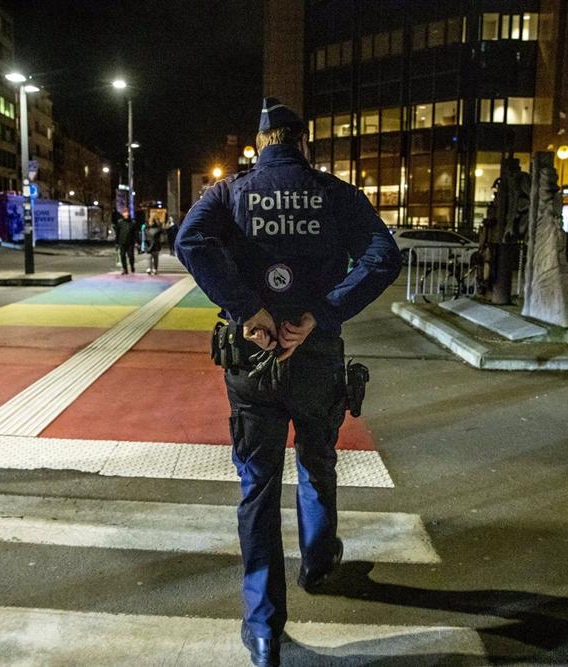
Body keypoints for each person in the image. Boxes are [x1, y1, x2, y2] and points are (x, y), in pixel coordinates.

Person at [175, 97, 401, 667]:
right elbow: (383, 256)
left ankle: (262, 627)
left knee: (257, 486)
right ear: (303, 143)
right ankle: (319, 560)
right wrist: (321, 314)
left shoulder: (227, 194)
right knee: (318, 460)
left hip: (252, 360)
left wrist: (249, 308)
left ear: (260, 145)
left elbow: (190, 242)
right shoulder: (335, 194)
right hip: (317, 357)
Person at [112, 207, 137, 274]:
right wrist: (116, 243)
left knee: (131, 256)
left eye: (127, 212)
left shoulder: (132, 222)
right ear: (123, 214)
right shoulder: (120, 222)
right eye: (124, 213)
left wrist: (137, 242)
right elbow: (117, 233)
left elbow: (135, 233)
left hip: (130, 242)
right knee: (122, 256)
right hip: (122, 242)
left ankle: (132, 266)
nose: (126, 214)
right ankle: (125, 269)